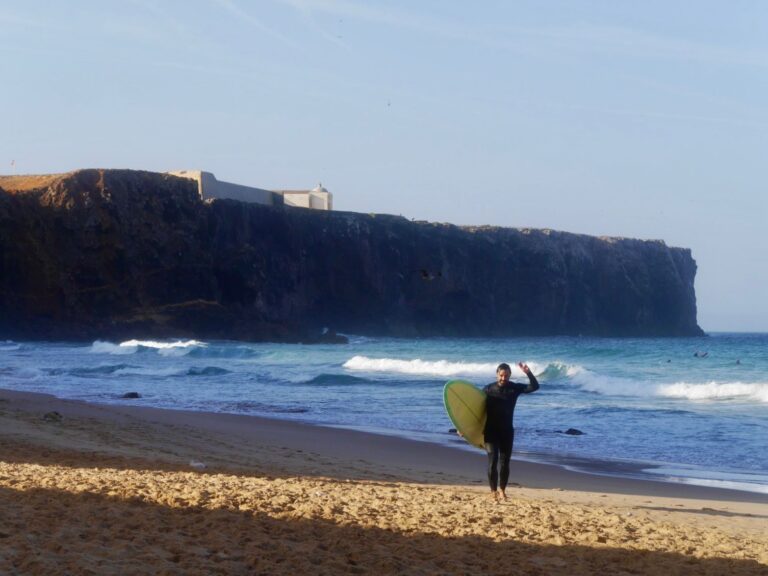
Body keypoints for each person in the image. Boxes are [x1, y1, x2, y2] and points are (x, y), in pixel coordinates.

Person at [483, 362, 539, 501]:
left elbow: (534, 387)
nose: (503, 378)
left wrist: (528, 372)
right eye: (501, 375)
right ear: (497, 374)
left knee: (505, 462)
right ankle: (493, 491)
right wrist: (463, 427)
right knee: (492, 460)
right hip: (490, 431)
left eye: (506, 376)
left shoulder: (513, 388)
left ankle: (502, 490)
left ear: (510, 375)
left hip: (507, 431)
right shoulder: (488, 389)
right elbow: (474, 410)